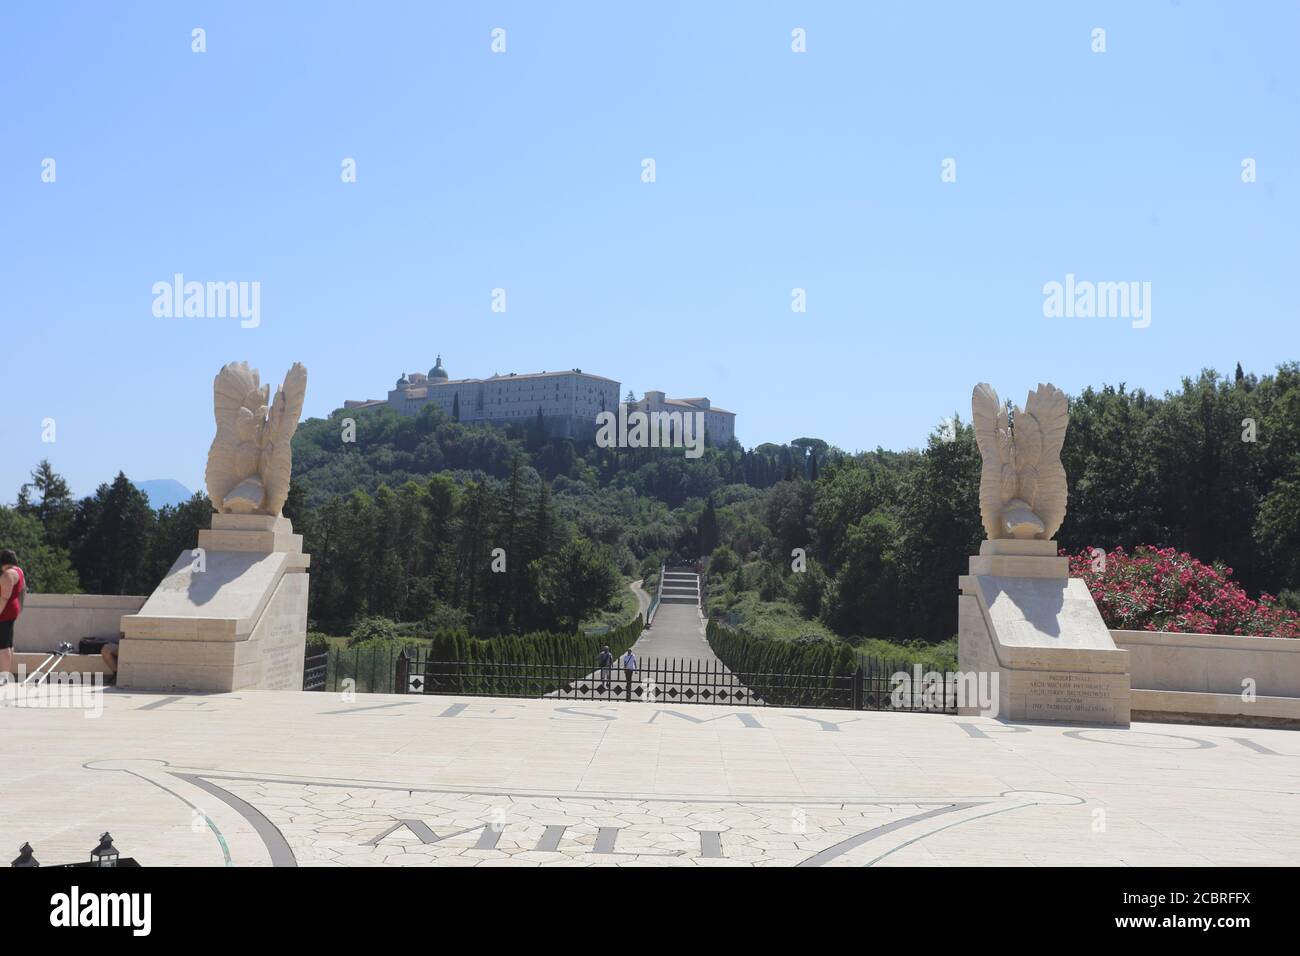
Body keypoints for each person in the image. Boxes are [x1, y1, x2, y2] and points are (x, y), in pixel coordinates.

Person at [0, 549, 26, 682]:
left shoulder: (7, 575)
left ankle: (3, 676)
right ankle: (5, 673)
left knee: (2, 645)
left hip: (4, 612)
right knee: (8, 643)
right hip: (13, 610)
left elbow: (4, 597)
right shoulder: (19, 571)